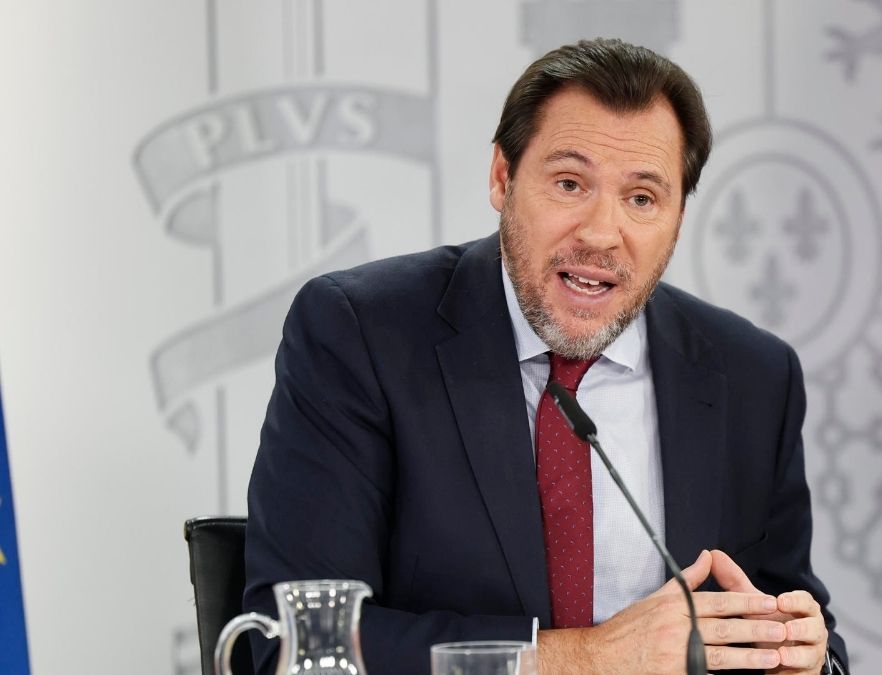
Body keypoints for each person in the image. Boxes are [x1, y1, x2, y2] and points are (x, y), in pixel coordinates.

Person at [244, 38, 849, 675]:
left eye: (642, 199)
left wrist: (802, 659)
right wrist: (588, 660)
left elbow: (798, 626)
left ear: (677, 217)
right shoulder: (360, 333)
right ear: (502, 178)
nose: (600, 233)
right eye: (569, 183)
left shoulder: (752, 376)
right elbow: (293, 645)